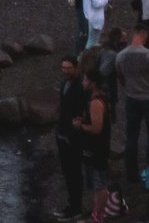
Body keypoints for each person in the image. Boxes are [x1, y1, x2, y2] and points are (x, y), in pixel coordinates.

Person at [115, 23, 149, 187]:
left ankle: (132, 176)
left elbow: (120, 77)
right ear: (144, 34)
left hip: (132, 99)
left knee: (132, 137)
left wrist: (130, 86)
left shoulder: (120, 55)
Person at [73, 67, 111, 223]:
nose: (83, 82)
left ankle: (98, 217)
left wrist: (79, 126)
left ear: (93, 83)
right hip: (96, 148)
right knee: (98, 183)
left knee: (99, 183)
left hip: (96, 149)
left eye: (85, 80)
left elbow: (96, 129)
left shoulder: (96, 102)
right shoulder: (101, 97)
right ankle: (98, 212)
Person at [55, 54, 86, 223]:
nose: (65, 71)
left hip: (72, 137)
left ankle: (76, 208)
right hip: (62, 133)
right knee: (67, 172)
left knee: (74, 173)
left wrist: (71, 135)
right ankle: (72, 205)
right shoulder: (64, 84)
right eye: (63, 68)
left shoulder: (79, 87)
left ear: (76, 68)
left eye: (68, 68)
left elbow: (81, 113)